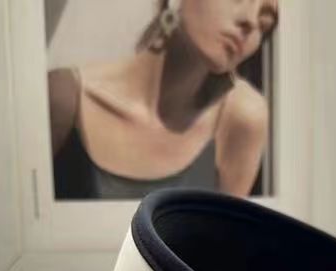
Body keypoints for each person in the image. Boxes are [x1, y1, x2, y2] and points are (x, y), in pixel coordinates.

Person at [48, 0, 278, 200]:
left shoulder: (241, 119)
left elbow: (223, 234)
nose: (251, 22)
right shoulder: (65, 97)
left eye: (264, 22)